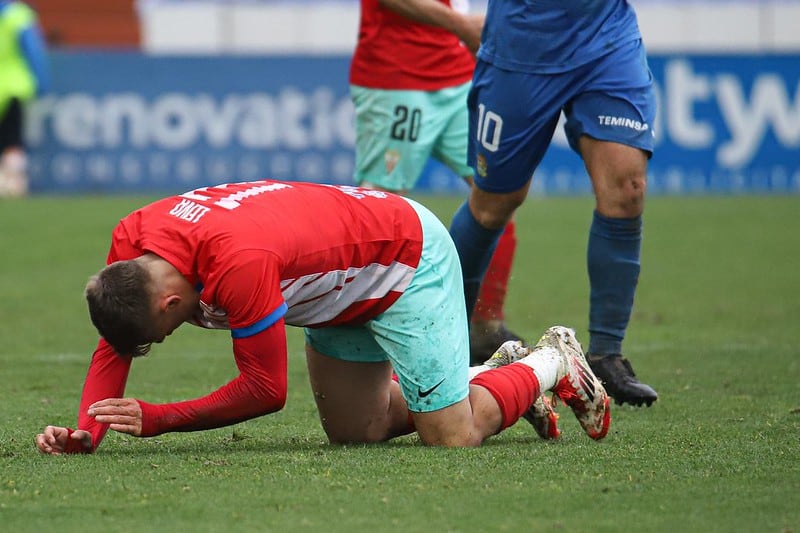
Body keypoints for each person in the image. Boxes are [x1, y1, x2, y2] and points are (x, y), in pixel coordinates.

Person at [35, 180, 609, 454]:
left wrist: (157, 417)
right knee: (360, 432)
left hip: (405, 259)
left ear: (168, 304)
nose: (161, 341)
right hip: (336, 287)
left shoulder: (236, 264)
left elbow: (265, 390)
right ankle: (491, 377)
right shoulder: (133, 245)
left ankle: (548, 363)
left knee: (451, 436)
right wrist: (90, 428)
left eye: (159, 336)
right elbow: (116, 342)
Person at [448, 0, 659, 406]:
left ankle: (605, 354)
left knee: (627, 188)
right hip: (521, 46)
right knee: (495, 202)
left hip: (605, 39)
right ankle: (452, 335)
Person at [349, 0, 522, 364]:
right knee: (379, 214)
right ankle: (358, 330)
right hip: (396, 80)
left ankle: (484, 329)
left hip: (460, 78)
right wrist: (460, 25)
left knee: (498, 193)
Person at [0, 0, 49, 197]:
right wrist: (42, 81)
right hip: (12, 87)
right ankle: (13, 186)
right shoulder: (17, 14)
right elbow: (33, 51)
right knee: (12, 140)